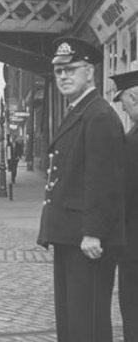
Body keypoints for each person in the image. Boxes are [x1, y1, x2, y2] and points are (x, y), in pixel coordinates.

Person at [37, 36, 126, 342]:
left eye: (71, 69)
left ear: (89, 72)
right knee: (72, 319)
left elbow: (104, 181)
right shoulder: (81, 110)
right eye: (59, 70)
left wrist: (94, 231)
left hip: (87, 239)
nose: (63, 76)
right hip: (70, 234)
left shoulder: (98, 115)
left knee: (86, 321)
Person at [110, 69, 138, 341]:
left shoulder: (132, 141)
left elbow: (123, 194)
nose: (127, 111)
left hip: (134, 245)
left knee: (133, 310)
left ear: (135, 97)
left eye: (126, 104)